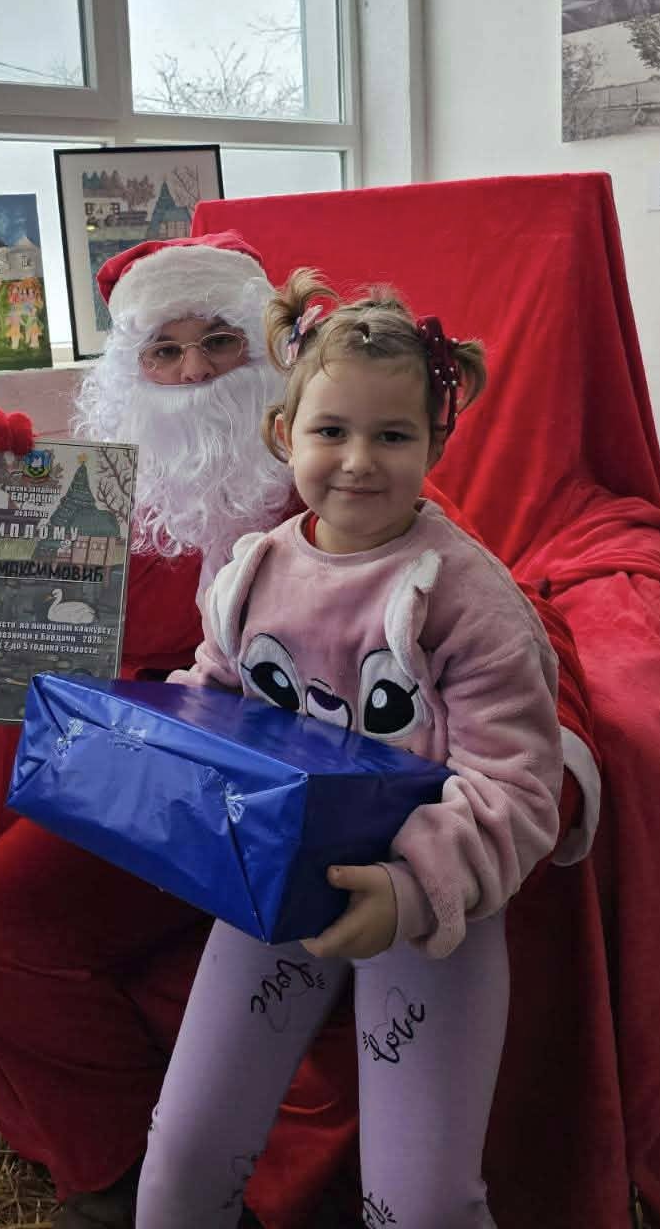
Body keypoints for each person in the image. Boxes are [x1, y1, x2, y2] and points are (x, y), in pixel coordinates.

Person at [0, 231, 358, 1229]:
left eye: (219, 342)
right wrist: (5, 500)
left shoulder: (338, 467)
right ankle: (118, 1182)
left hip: (283, 793)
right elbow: (33, 633)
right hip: (146, 777)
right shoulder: (117, 496)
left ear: (270, 352)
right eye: (165, 350)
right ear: (130, 370)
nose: (192, 374)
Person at [136, 273, 563, 1229]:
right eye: (331, 431)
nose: (359, 462)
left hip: (428, 911)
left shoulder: (469, 599)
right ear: (284, 433)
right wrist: (158, 763)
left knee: (421, 1204)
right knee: (182, 1161)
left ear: (436, 444)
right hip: (278, 889)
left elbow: (518, 790)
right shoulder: (253, 573)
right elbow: (216, 701)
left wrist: (410, 893)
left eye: (393, 436)